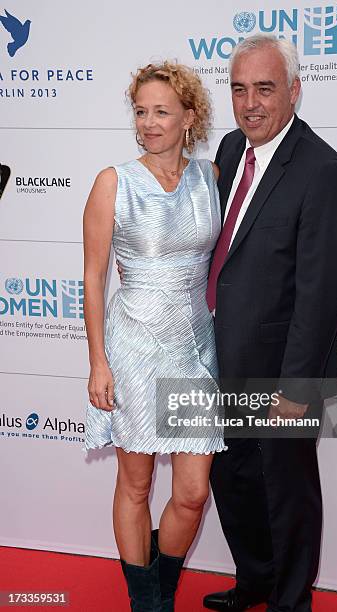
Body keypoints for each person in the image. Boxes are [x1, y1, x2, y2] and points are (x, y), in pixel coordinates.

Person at [203, 35, 337, 612]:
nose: (250, 104)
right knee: (233, 481)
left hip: (282, 374)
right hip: (221, 360)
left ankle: (291, 601)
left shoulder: (323, 172)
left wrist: (296, 390)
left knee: (287, 494)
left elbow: (320, 297)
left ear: (294, 91)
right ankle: (255, 583)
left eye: (264, 88)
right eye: (239, 89)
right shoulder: (226, 147)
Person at [83, 61, 227, 612]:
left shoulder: (209, 177)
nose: (148, 123)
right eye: (141, 111)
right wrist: (99, 363)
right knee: (136, 484)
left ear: (189, 117)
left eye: (162, 112)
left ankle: (161, 588)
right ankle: (147, 602)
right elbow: (94, 280)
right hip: (134, 346)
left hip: (194, 348)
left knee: (191, 494)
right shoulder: (113, 182)